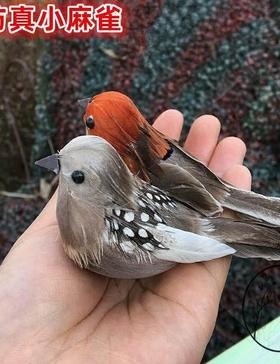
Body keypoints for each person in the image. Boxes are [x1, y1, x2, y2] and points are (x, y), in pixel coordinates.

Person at [0, 110, 251, 363]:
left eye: (76, 176)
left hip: (180, 235)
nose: (58, 167)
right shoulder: (79, 209)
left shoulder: (108, 228)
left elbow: (170, 242)